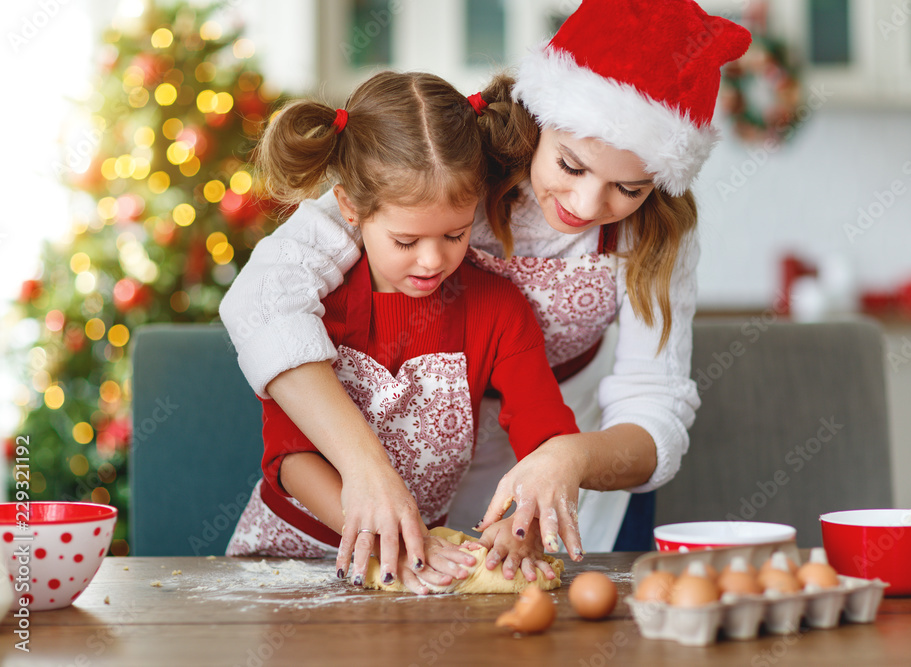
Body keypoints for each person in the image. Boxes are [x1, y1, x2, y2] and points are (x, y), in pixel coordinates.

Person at [220, 0, 751, 568]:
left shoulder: (656, 232)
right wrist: (366, 471)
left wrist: (568, 459)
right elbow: (265, 298)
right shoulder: (445, 170)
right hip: (395, 462)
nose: (589, 204)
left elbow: (656, 406)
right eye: (571, 166)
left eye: (630, 187)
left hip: (561, 442)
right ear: (538, 118)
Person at [224, 71, 579, 594]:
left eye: (455, 234)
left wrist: (523, 517)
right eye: (406, 240)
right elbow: (290, 459)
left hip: (417, 553)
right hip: (284, 557)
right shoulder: (310, 305)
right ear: (349, 208)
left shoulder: (499, 309)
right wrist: (385, 528)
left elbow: (546, 436)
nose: (433, 260)